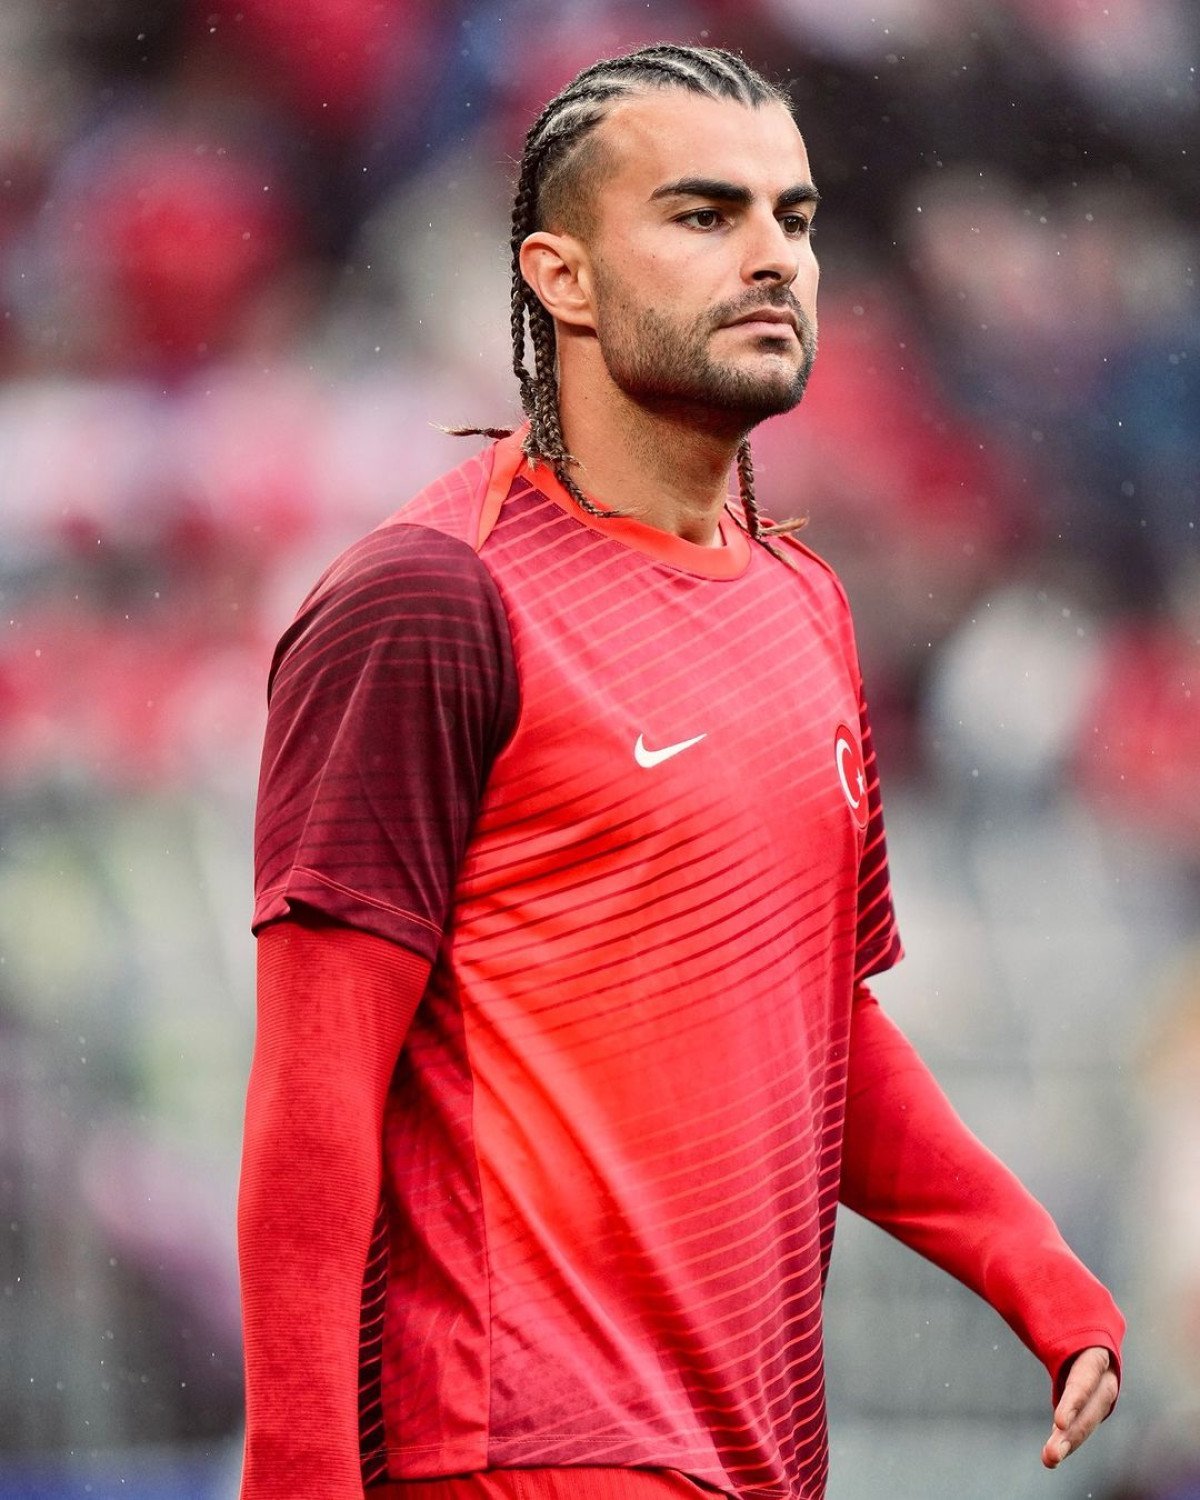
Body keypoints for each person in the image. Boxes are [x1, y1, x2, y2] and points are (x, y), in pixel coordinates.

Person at [238, 43, 1124, 1500]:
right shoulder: (436, 598)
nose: (773, 256)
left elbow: (823, 1022)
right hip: (517, 1450)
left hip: (748, 1458)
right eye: (705, 215)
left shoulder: (807, 604)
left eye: (795, 217)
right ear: (563, 277)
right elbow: (313, 1105)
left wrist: (1035, 1269)